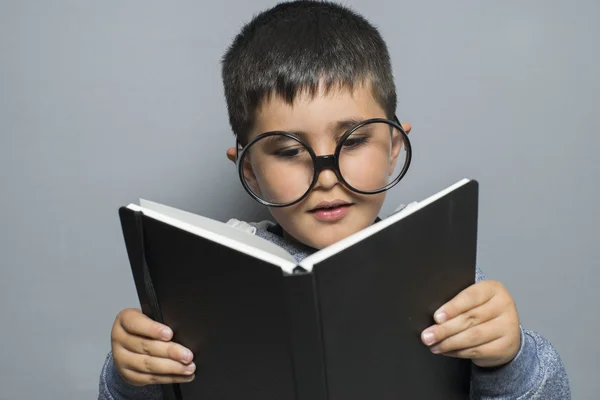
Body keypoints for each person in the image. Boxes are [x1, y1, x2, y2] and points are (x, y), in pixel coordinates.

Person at [98, 1, 570, 399]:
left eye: (356, 140)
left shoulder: (442, 270)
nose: (327, 175)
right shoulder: (202, 284)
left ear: (394, 149)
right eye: (287, 150)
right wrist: (130, 379)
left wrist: (511, 359)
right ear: (251, 172)